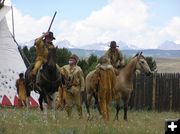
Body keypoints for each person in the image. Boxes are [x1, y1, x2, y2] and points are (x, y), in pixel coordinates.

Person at [60, 54, 85, 118]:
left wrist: (82, 88)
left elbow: (82, 79)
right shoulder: (65, 67)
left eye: (72, 59)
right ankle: (69, 116)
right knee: (68, 104)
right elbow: (59, 70)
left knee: (78, 104)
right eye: (70, 59)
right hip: (68, 88)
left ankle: (80, 116)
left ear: (75, 61)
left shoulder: (78, 69)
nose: (70, 60)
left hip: (76, 88)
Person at [95, 55, 116, 121]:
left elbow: (96, 81)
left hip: (102, 89)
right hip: (109, 89)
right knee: (106, 104)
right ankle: (107, 118)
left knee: (102, 103)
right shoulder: (111, 69)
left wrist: (96, 88)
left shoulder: (98, 69)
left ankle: (105, 119)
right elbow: (114, 81)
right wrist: (112, 88)